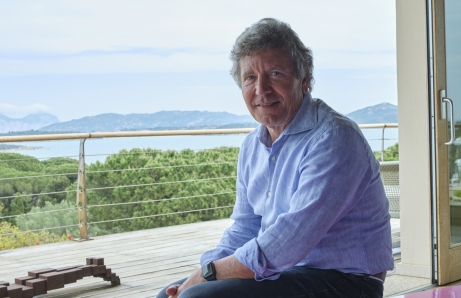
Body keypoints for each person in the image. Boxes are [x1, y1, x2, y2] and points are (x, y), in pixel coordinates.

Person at [157, 18, 393, 298]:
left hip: (348, 281)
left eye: (276, 74)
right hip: (284, 273)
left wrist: (208, 275)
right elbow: (246, 227)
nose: (262, 90)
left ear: (304, 81)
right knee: (169, 296)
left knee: (197, 297)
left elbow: (288, 242)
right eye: (250, 78)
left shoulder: (333, 138)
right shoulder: (252, 146)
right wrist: (207, 270)